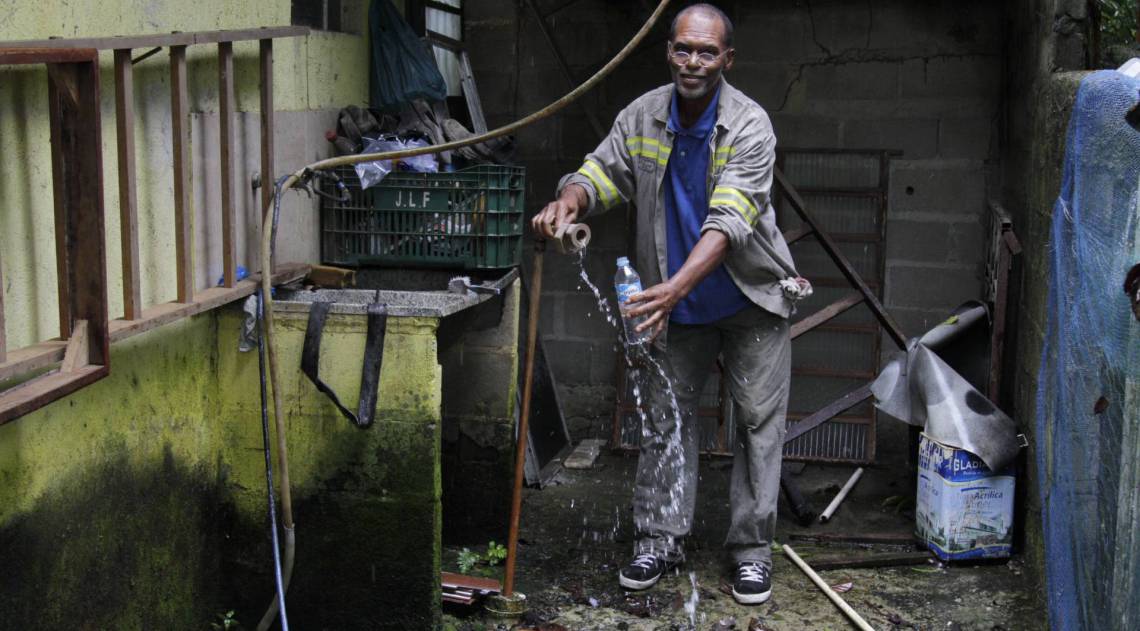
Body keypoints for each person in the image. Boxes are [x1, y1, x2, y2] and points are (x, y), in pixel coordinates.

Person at [531, 3, 808, 606]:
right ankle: (659, 538)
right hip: (672, 307)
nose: (693, 62)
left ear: (726, 60)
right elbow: (602, 171)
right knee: (665, 423)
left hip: (749, 299)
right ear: (669, 51)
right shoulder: (642, 116)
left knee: (759, 427)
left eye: (707, 52)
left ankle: (751, 552)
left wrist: (676, 287)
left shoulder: (750, 125)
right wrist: (572, 201)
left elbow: (730, 220)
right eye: (683, 49)